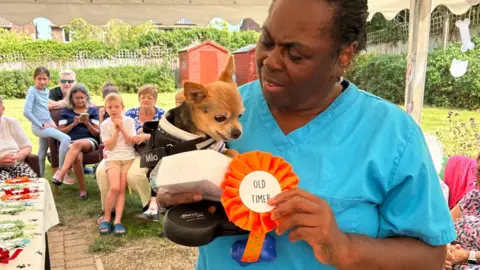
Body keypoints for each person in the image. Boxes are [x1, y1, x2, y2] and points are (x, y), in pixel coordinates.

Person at [157, 0, 456, 269]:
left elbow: (430, 256)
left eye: (296, 54)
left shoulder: (392, 135)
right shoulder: (221, 110)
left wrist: (344, 247)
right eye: (267, 41)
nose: (271, 61)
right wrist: (174, 198)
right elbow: (168, 186)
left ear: (345, 55)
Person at [96, 84, 165, 223]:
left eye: (149, 97)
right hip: (121, 151)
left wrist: (145, 136)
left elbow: (165, 135)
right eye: (143, 97)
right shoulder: (131, 113)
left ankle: (149, 207)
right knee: (101, 172)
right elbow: (117, 132)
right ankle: (110, 209)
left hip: (147, 152)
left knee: (135, 176)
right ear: (138, 98)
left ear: (155, 100)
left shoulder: (162, 114)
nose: (145, 100)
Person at [52, 84, 100, 200]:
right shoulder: (66, 111)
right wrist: (73, 124)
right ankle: (83, 190)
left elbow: (97, 133)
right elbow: (61, 131)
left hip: (89, 141)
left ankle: (61, 173)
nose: (80, 100)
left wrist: (87, 123)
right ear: (71, 99)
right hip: (71, 141)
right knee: (77, 157)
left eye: (82, 98)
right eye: (77, 98)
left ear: (86, 98)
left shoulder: (92, 110)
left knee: (77, 144)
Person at [98, 93, 136, 236]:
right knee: (114, 187)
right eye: (110, 107)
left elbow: (130, 141)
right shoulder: (105, 125)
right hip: (112, 158)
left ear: (122, 108)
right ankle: (107, 218)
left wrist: (122, 128)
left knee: (121, 190)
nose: (113, 110)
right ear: (106, 109)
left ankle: (118, 221)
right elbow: (110, 146)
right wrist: (116, 130)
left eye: (116, 106)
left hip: (127, 158)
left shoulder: (129, 121)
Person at [23, 67, 71, 177]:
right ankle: (61, 171)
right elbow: (26, 112)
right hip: (39, 127)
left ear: (48, 79)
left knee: (42, 152)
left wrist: (51, 122)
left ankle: (40, 179)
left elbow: (43, 109)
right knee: (66, 138)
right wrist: (41, 124)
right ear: (34, 78)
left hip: (46, 124)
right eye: (39, 79)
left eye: (44, 79)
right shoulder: (32, 92)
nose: (42, 82)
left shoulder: (46, 91)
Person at [444, 153, 480, 269]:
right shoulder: (473, 197)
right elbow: (445, 222)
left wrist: (466, 256)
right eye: (478, 171)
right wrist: (445, 248)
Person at [0, 96, 37, 181]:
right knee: (5, 187)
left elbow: (27, 146)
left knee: (32, 184)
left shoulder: (11, 122)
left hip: (16, 164)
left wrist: (16, 157)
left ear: (2, 109)